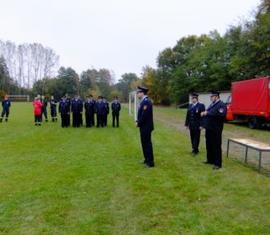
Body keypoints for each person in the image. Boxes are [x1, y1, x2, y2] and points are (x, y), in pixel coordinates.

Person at [201, 91, 227, 170]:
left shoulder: (221, 105)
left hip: (216, 129)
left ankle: (217, 163)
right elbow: (209, 114)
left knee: (216, 146)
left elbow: (221, 114)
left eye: (212, 97)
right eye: (211, 97)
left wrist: (207, 113)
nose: (211, 98)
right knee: (209, 145)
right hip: (209, 128)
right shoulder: (212, 104)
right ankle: (210, 160)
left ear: (217, 97)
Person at [136, 86, 155, 168]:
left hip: (146, 126)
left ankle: (150, 162)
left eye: (138, 93)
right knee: (144, 143)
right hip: (144, 126)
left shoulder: (146, 102)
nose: (137, 94)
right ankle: (146, 159)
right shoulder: (143, 101)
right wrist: (138, 121)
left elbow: (144, 115)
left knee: (147, 144)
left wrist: (138, 123)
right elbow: (141, 114)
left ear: (142, 93)